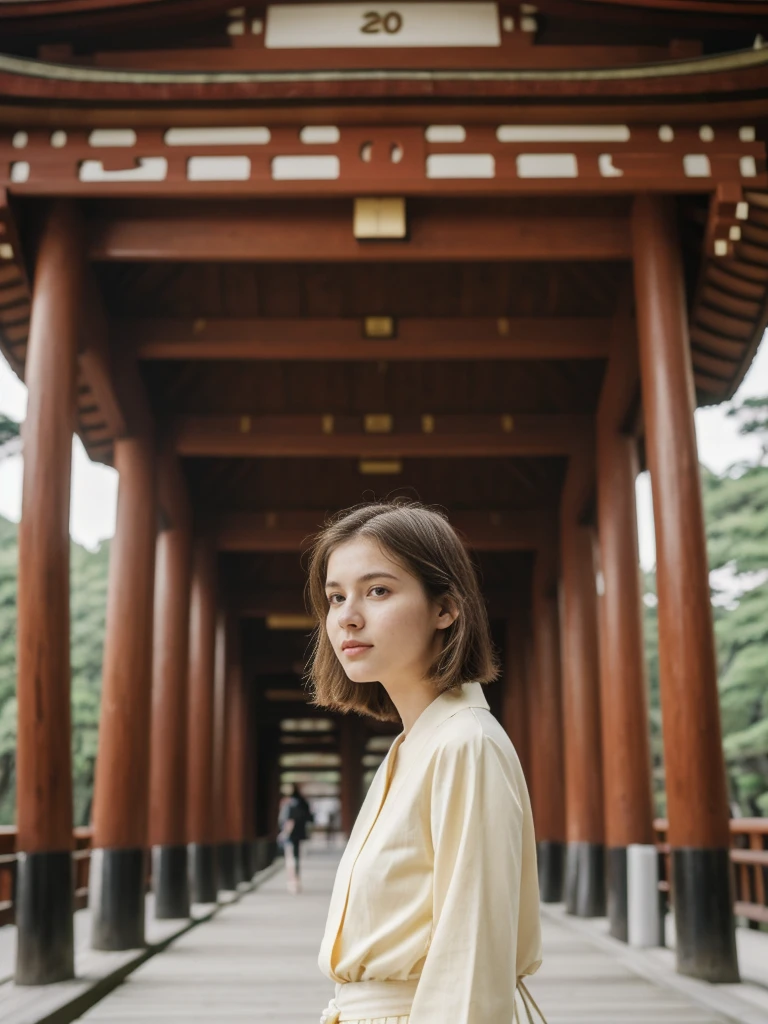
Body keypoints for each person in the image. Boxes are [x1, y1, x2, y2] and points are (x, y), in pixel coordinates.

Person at [305, 500, 544, 1024]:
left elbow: (472, 958)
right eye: (336, 596)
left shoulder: (466, 745)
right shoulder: (413, 746)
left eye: (378, 591)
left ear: (445, 608)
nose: (347, 615)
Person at [278, 783, 314, 894]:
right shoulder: (301, 803)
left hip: (290, 835)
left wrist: (284, 833)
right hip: (299, 833)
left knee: (290, 858)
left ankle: (292, 881)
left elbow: (290, 821)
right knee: (296, 857)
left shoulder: (290, 804)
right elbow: (309, 817)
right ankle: (296, 880)